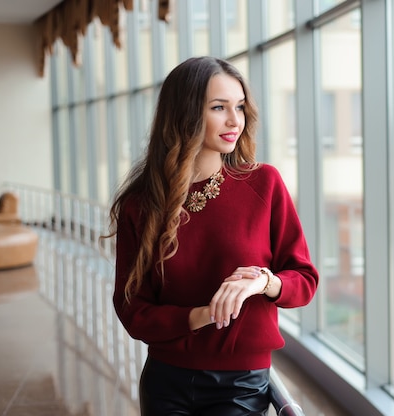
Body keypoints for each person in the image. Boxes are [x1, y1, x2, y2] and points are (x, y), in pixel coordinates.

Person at [105, 56, 319, 415]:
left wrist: (263, 282)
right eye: (219, 107)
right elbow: (132, 309)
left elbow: (305, 280)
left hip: (240, 383)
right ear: (185, 114)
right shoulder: (140, 204)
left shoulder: (263, 184)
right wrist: (199, 316)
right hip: (165, 381)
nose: (235, 120)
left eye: (239, 107)